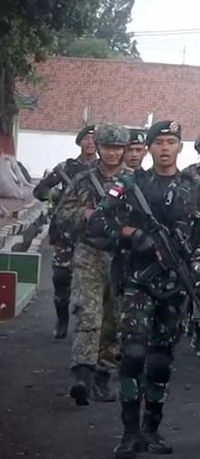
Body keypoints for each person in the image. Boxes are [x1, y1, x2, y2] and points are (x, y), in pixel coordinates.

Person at [88, 120, 200, 459]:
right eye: (158, 142)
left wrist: (195, 267)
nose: (164, 148)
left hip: (175, 284)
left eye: (171, 141)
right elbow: (97, 223)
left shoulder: (197, 188)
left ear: (179, 147)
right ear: (147, 148)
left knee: (160, 360)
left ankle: (151, 429)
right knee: (132, 355)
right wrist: (131, 234)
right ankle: (129, 432)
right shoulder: (130, 185)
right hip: (137, 281)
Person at [56, 124, 128, 405]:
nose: (112, 153)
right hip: (88, 253)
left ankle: (102, 376)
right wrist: (84, 214)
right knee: (88, 313)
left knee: (114, 319)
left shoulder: (134, 182)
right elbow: (62, 216)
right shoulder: (83, 180)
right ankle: (82, 375)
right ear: (98, 148)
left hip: (121, 256)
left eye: (117, 148)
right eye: (107, 147)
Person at [34, 124, 98, 339]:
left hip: (92, 234)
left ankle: (87, 328)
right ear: (79, 142)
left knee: (91, 283)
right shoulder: (66, 168)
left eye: (94, 139)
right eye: (86, 139)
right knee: (61, 278)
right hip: (66, 233)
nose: (90, 143)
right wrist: (57, 197)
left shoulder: (102, 169)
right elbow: (40, 190)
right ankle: (62, 319)